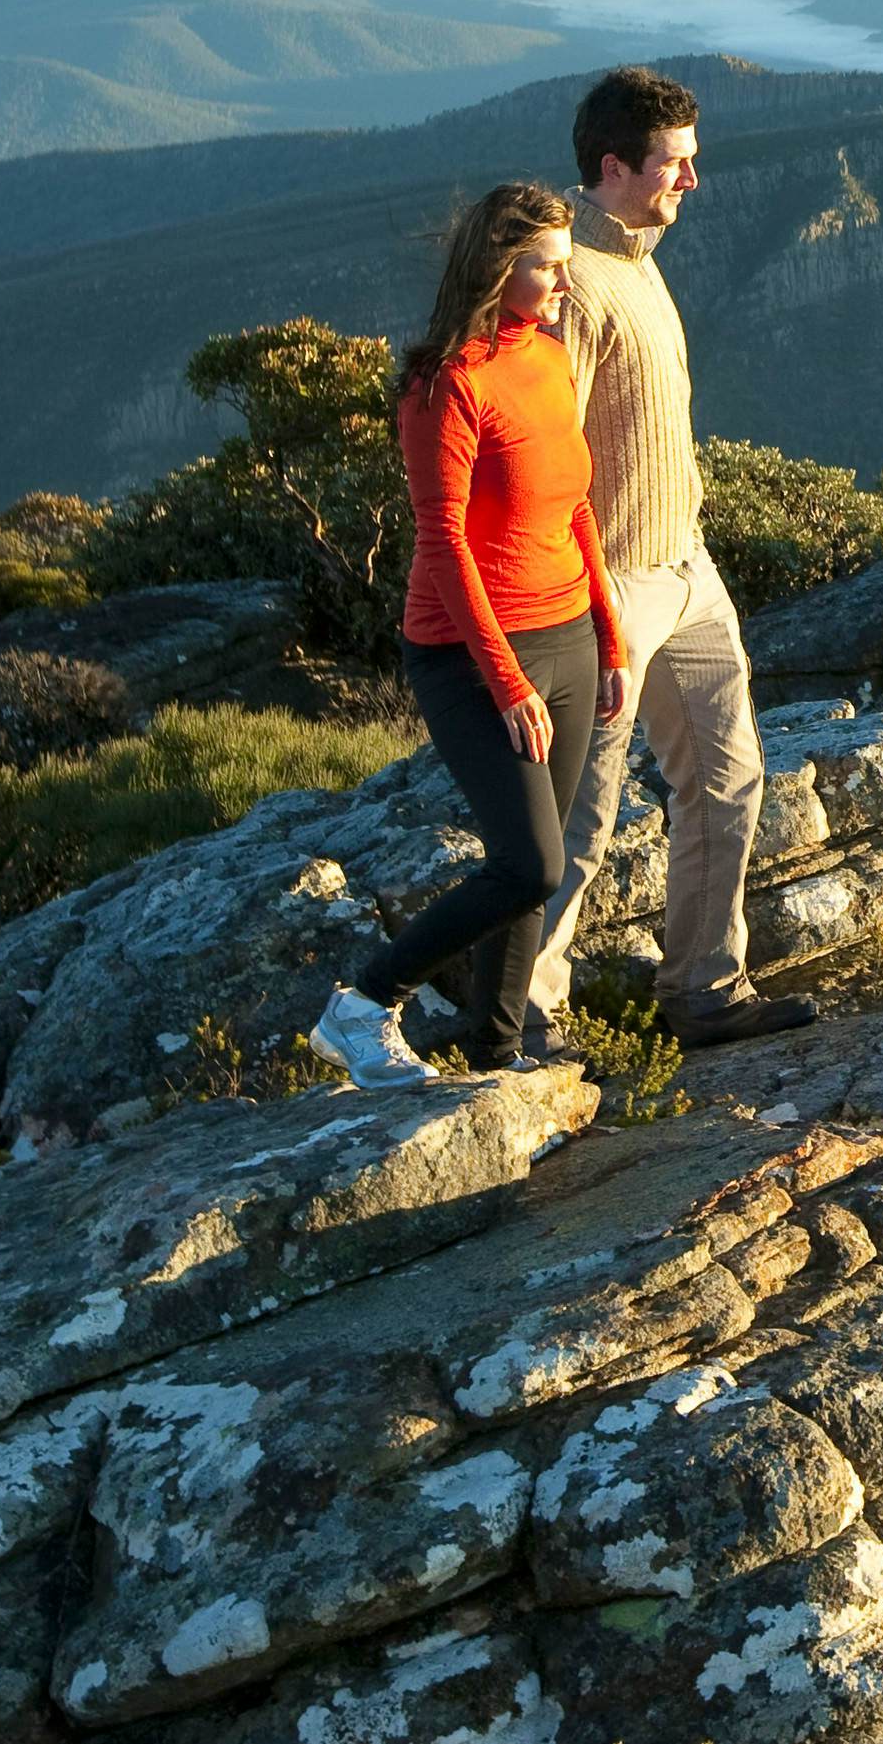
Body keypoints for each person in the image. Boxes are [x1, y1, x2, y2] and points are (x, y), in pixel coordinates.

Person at [310, 182, 629, 1088]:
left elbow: (573, 507)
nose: (567, 281)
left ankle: (495, 1056)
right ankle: (363, 1003)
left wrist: (605, 635)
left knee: (535, 862)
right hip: (469, 650)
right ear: (500, 267)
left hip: (564, 630)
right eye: (549, 265)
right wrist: (506, 681)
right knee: (531, 865)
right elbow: (443, 540)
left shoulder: (549, 357)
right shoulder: (442, 384)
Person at [519, 65, 796, 1046]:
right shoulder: (574, 286)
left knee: (729, 778)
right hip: (612, 584)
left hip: (687, 566)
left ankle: (703, 988)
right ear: (613, 165)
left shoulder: (637, 257)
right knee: (581, 814)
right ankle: (525, 1011)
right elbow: (547, 464)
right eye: (674, 163)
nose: (691, 181)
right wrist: (585, 602)